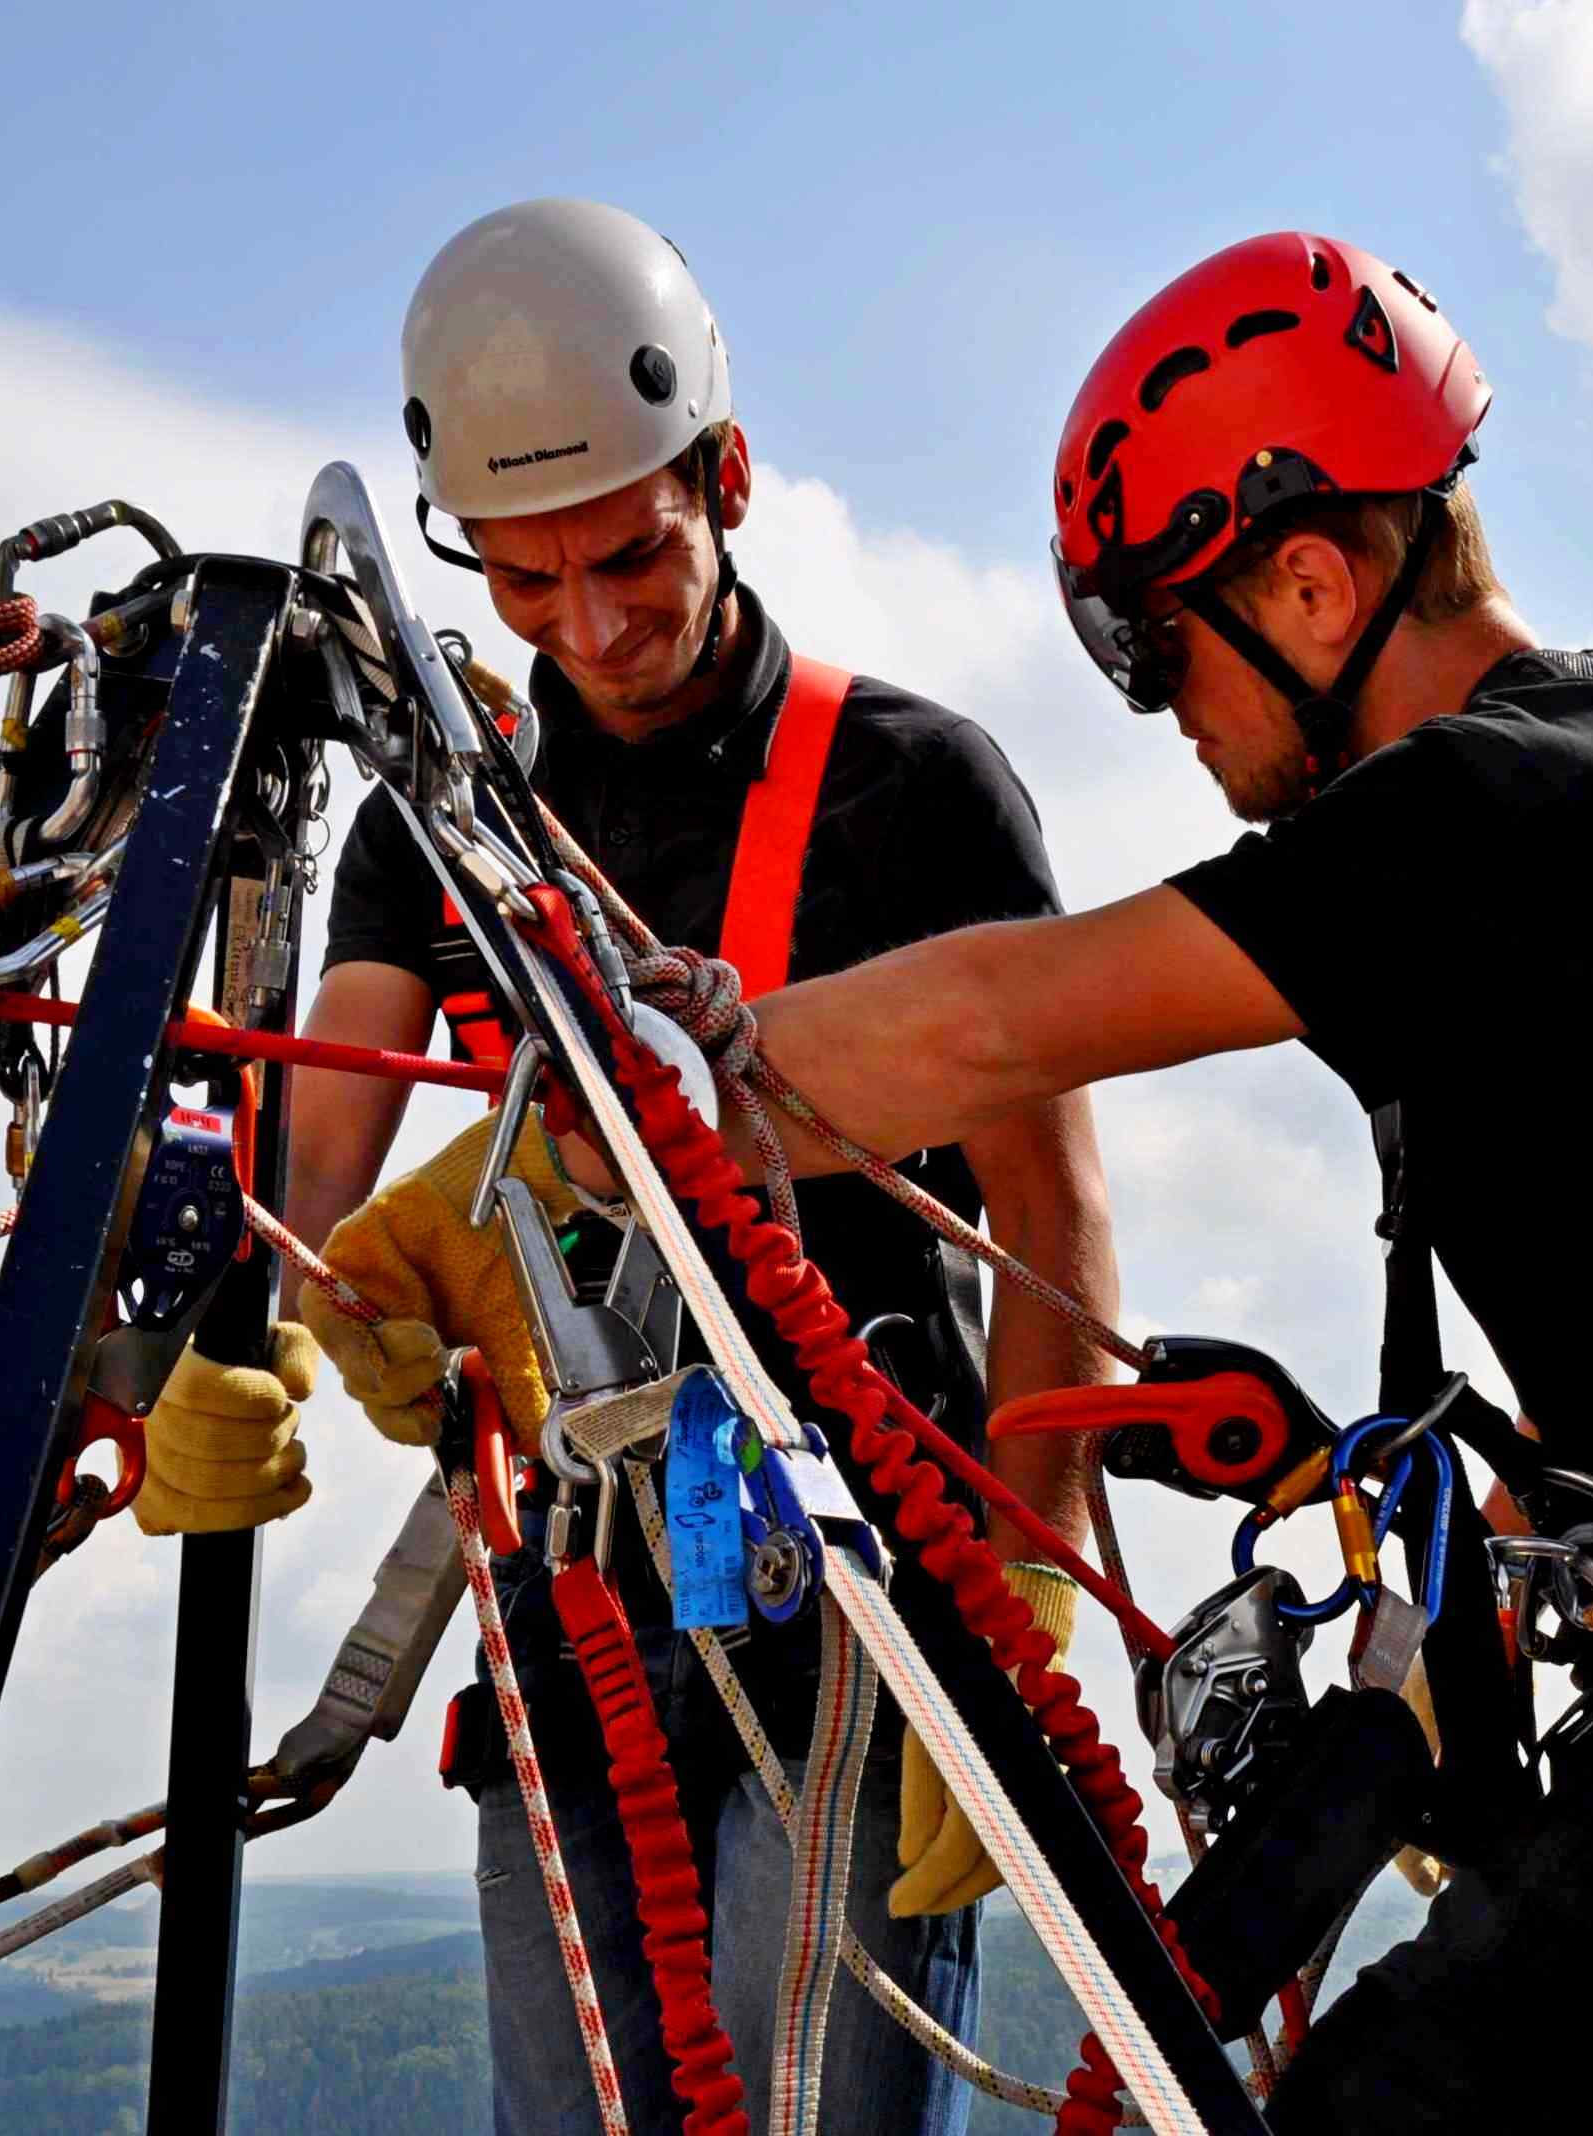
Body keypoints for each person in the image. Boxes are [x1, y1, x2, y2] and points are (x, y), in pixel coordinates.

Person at [667, 232, 1593, 2132]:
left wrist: (673, 1063)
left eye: (1158, 646)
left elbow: (1005, 1024)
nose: (1161, 711)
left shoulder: (1512, 804)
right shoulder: (1565, 806)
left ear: (1313, 579)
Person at [280, 200, 1116, 2136]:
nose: (586, 624)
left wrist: (1025, 1595)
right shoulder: (448, 829)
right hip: (570, 1586)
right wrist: (280, 1317)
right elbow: (314, 1165)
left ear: (724, 474)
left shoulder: (915, 788)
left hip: (858, 1594)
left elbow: (1056, 1214)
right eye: (523, 580)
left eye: (632, 558)